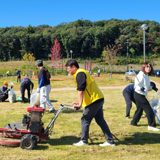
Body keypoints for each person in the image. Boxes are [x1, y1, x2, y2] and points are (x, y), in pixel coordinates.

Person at [65, 59, 115, 147]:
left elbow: (81, 90)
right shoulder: (81, 72)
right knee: (100, 120)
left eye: (68, 68)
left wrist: (80, 104)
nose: (67, 70)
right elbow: (85, 90)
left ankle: (84, 141)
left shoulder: (79, 73)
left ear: (74, 67)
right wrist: (79, 101)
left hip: (94, 101)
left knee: (85, 119)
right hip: (98, 98)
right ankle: (110, 141)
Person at [131, 62, 160, 131]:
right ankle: (151, 126)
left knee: (139, 110)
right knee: (149, 110)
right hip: (139, 94)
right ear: (143, 67)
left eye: (150, 67)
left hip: (142, 94)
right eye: (147, 67)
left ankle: (133, 122)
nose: (149, 68)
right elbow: (136, 85)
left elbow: (146, 86)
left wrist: (152, 87)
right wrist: (140, 88)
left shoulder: (146, 75)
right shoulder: (140, 75)